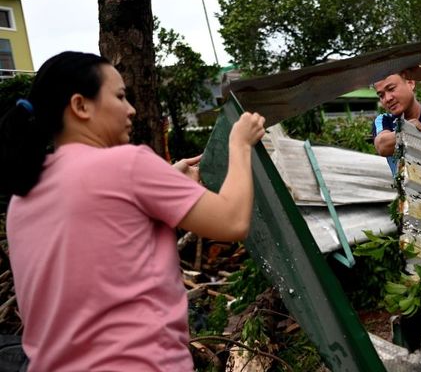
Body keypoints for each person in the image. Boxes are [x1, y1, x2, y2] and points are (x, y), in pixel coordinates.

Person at [0, 51, 266, 371]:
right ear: (81, 106)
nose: (132, 110)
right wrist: (240, 144)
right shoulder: (128, 165)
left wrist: (168, 183)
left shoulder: (22, 196)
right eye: (120, 96)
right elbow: (233, 220)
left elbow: (114, 240)